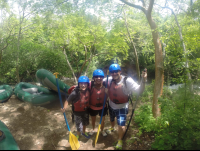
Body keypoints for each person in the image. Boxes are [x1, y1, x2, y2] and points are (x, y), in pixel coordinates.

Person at [104, 63, 147, 150]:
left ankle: (120, 140)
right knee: (112, 119)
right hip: (111, 105)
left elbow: (140, 90)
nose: (114, 74)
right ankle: (112, 128)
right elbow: (98, 80)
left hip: (122, 107)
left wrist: (144, 80)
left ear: (120, 71)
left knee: (121, 125)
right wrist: (82, 84)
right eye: (112, 72)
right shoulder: (109, 79)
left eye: (116, 72)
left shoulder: (127, 81)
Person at [61, 76, 91, 140]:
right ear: (79, 84)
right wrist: (64, 108)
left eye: (85, 83)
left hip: (85, 111)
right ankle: (78, 134)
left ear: (87, 84)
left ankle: (83, 132)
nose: (83, 85)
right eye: (81, 83)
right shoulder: (74, 93)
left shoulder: (88, 90)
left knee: (85, 123)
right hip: (77, 113)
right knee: (78, 125)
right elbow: (67, 101)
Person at [88, 69, 108, 137]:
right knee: (93, 120)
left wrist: (107, 92)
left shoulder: (106, 84)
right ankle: (93, 129)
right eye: (96, 77)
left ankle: (102, 130)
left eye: (100, 77)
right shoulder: (90, 85)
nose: (98, 78)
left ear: (103, 77)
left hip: (103, 106)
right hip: (92, 107)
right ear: (94, 78)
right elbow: (82, 86)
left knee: (102, 121)